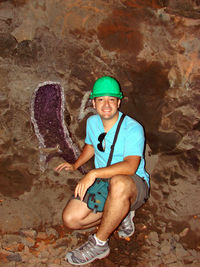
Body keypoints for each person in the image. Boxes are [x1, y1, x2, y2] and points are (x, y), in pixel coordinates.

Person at [55, 76, 150, 265]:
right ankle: (121, 213)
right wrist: (75, 165)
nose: (106, 105)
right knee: (71, 220)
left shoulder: (133, 128)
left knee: (119, 183)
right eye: (101, 99)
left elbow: (130, 166)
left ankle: (100, 243)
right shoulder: (93, 123)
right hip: (105, 183)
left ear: (118, 102)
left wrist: (93, 173)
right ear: (93, 102)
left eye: (111, 99)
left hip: (133, 183)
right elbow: (91, 146)